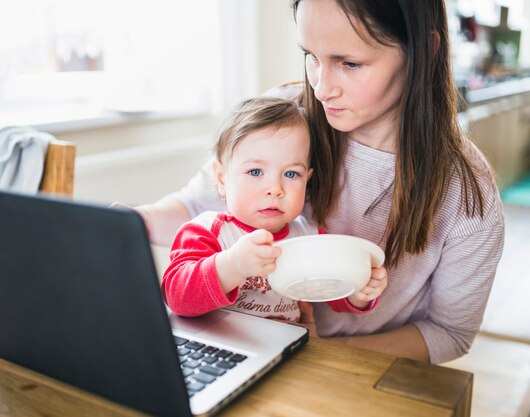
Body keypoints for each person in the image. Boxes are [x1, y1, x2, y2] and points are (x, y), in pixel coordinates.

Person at [134, 0, 505, 365]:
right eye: (310, 55)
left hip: (347, 373)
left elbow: (450, 334)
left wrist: (310, 355)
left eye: (350, 63)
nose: (322, 88)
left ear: (422, 50)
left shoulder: (467, 192)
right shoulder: (284, 116)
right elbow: (195, 207)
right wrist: (122, 223)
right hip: (249, 355)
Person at [162, 97, 387, 327]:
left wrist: (358, 293)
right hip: (226, 353)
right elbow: (176, 298)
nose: (275, 189)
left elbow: (329, 288)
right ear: (222, 178)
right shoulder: (207, 231)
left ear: (307, 179)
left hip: (285, 349)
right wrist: (233, 266)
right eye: (255, 171)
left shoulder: (308, 235)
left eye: (291, 174)